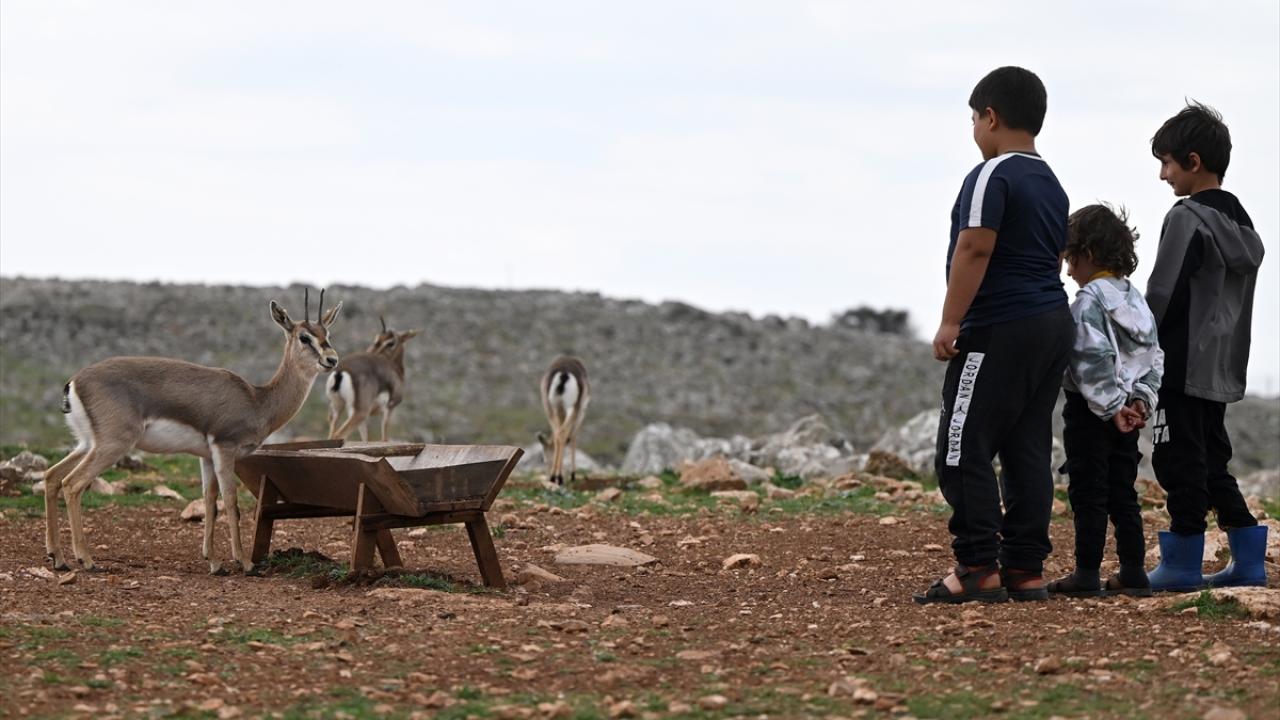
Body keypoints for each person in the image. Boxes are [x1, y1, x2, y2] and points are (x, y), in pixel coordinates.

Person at [914, 66, 1074, 605]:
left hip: (1000, 325)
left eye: (973, 119)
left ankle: (978, 565)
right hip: (1051, 323)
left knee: (962, 444)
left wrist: (952, 320)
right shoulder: (1052, 182)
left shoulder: (991, 175)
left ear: (991, 117)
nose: (974, 130)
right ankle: (1025, 569)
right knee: (1027, 444)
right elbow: (1054, 257)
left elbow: (975, 247)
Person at [1145, 102, 1268, 591]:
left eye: (1167, 163)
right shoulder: (1243, 224)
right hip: (1222, 367)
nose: (1162, 175)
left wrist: (1138, 354)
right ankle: (1248, 560)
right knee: (1212, 460)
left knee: (1176, 460)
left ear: (1194, 162)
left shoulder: (1186, 217)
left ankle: (1181, 563)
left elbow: (1162, 293)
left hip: (1178, 364)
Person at [1047, 205, 1162, 598]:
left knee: (1088, 492)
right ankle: (1133, 573)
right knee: (1123, 493)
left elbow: (1089, 358)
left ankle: (1086, 573)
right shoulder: (1137, 300)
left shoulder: (1087, 303)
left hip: (1092, 413)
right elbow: (1153, 357)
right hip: (1130, 414)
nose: (1066, 270)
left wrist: (1111, 408)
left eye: (1069, 258)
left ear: (1089, 254)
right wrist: (1141, 401)